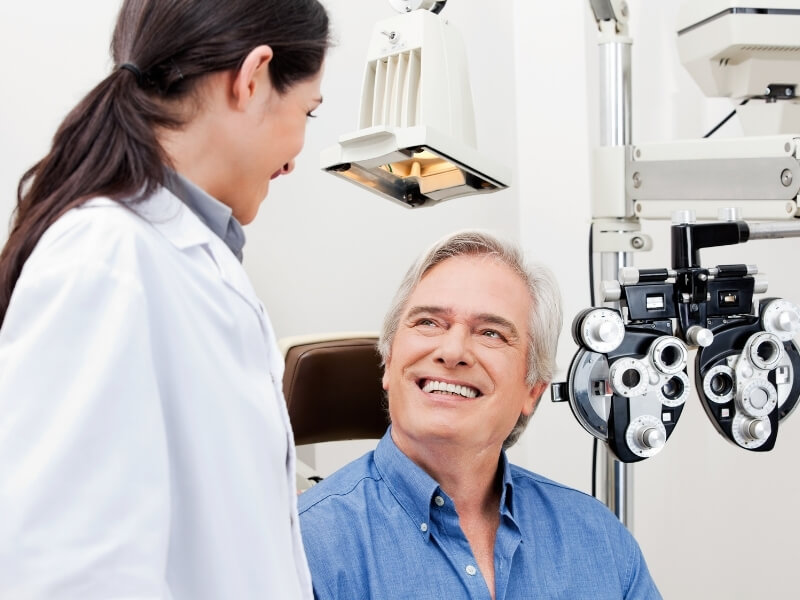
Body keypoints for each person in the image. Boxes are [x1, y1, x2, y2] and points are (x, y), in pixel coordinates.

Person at [0, 1, 329, 598]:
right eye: (308, 110)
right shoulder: (104, 256)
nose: (295, 156)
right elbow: (70, 575)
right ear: (253, 78)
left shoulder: (190, 263)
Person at [298, 230, 662, 599]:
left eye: (491, 333)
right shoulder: (304, 546)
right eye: (428, 322)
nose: (453, 350)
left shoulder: (599, 542)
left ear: (532, 389)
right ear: (388, 362)